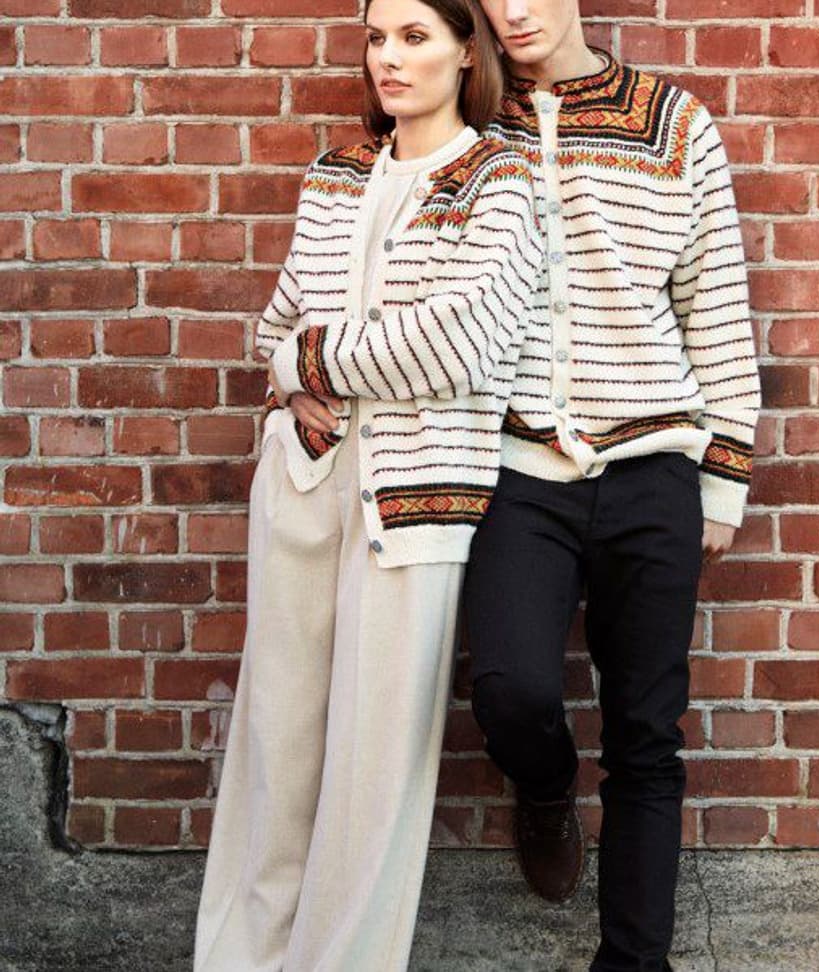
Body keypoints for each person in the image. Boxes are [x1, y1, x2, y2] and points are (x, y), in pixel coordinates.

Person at [192, 1, 543, 969]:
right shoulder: (336, 175)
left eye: (415, 37)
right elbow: (274, 328)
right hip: (303, 476)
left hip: (416, 499)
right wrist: (292, 370)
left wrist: (308, 361)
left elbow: (459, 343)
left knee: (373, 768)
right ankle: (239, 959)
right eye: (378, 38)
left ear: (465, 51)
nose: (390, 58)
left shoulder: (501, 179)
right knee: (276, 743)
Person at [463, 2, 763, 971]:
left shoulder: (672, 122)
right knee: (510, 690)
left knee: (645, 734)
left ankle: (635, 962)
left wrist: (724, 478)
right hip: (516, 471)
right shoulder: (471, 120)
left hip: (654, 471)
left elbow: (715, 303)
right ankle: (545, 787)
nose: (513, 11)